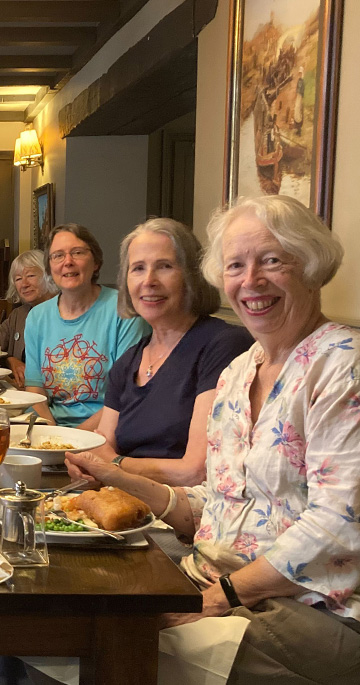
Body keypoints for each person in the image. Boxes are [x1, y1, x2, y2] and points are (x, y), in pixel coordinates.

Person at [66, 195, 360, 682]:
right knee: (67, 616)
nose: (251, 282)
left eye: (271, 260)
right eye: (236, 266)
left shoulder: (341, 366)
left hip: (316, 605)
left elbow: (339, 526)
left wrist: (216, 597)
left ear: (311, 266)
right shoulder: (240, 372)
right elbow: (215, 502)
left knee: (102, 649)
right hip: (213, 576)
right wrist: (109, 474)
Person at [68, 219, 253, 486]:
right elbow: (100, 447)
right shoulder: (128, 361)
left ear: (191, 275)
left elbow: (196, 470)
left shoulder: (224, 346)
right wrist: (85, 465)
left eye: (164, 266)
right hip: (122, 504)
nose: (149, 281)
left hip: (185, 514)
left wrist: (115, 465)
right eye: (138, 268)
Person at [22, 224, 149, 429]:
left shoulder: (125, 311)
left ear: (96, 262)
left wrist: (75, 439)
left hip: (108, 430)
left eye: (78, 253)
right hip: (50, 428)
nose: (68, 262)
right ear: (49, 267)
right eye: (58, 256)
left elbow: (126, 394)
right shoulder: (37, 317)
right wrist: (51, 438)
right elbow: (35, 390)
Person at [0, 250, 57, 388]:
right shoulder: (19, 315)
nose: (24, 284)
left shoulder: (66, 311)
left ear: (49, 275)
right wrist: (10, 360)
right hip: (20, 393)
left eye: (31, 275)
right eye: (18, 279)